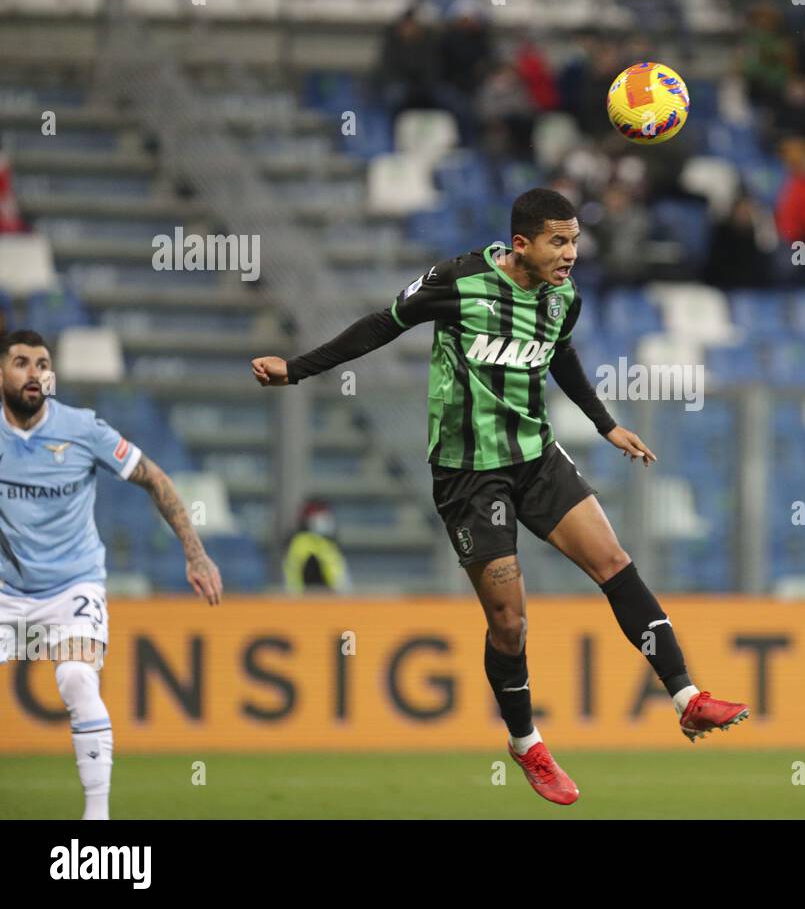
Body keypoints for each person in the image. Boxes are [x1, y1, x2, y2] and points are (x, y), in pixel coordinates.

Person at [250, 189, 748, 806]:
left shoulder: (563, 297)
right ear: (522, 245)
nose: (570, 254)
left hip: (535, 457)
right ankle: (525, 743)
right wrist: (297, 369)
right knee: (509, 623)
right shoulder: (457, 281)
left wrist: (604, 423)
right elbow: (383, 323)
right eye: (558, 242)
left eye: (574, 241)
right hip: (468, 475)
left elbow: (560, 353)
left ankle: (686, 698)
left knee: (614, 563)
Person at [0, 329, 222, 820]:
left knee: (78, 676)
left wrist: (196, 552)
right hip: (6, 590)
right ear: (2, 374)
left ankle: (96, 820)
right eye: (21, 362)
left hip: (72, 585)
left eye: (42, 363)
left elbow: (154, 477)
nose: (34, 372)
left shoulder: (82, 429)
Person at [283, 499, 351, 594]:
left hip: (329, 599)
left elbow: (338, 575)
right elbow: (293, 576)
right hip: (307, 600)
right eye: (322, 518)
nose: (326, 522)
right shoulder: (301, 543)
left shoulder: (327, 543)